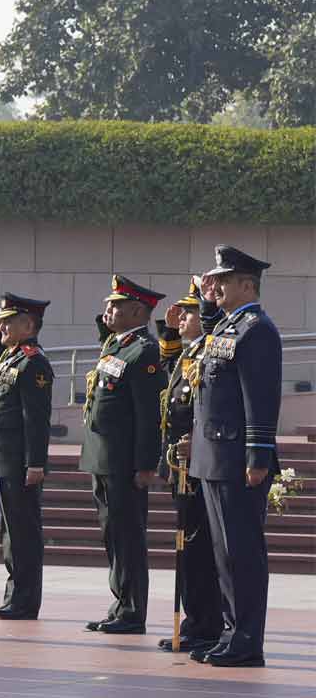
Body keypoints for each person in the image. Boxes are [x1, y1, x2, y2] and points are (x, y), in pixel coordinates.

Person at [188, 245, 282, 668]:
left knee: (241, 551)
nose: (216, 286)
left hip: (237, 458)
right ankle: (230, 633)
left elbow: (259, 398)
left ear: (248, 284)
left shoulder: (257, 329)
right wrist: (206, 305)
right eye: (215, 280)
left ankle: (247, 639)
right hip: (215, 456)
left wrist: (258, 454)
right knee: (222, 554)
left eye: (224, 281)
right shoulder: (227, 327)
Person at [80, 275, 167, 635]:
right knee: (112, 535)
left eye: (115, 305)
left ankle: (133, 612)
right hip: (104, 458)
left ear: (137, 311)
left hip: (124, 462)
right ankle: (120, 604)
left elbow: (149, 415)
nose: (107, 310)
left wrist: (147, 464)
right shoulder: (117, 346)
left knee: (129, 537)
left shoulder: (145, 350)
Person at [154, 278, 224, 653]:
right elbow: (171, 372)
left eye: (189, 313)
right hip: (180, 463)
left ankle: (206, 624)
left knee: (200, 548)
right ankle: (196, 622)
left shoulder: (208, 351)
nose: (181, 318)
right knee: (189, 547)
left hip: (197, 462)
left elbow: (204, 407)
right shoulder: (189, 353)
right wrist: (167, 330)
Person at [0, 293, 53, 621]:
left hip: (20, 462)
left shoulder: (33, 361)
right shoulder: (11, 357)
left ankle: (25, 601)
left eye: (9, 321)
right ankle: (14, 596)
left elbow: (35, 418)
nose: (3, 326)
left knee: (23, 532)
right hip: (3, 458)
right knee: (9, 532)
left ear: (28, 325)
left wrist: (35, 463)